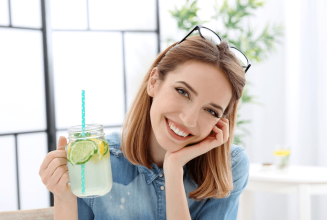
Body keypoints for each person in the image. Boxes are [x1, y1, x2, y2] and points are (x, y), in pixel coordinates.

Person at [39, 25, 251, 220]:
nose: (189, 119)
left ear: (221, 122)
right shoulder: (98, 160)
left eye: (211, 110)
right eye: (182, 92)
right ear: (154, 82)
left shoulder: (230, 167)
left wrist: (174, 169)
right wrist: (64, 196)